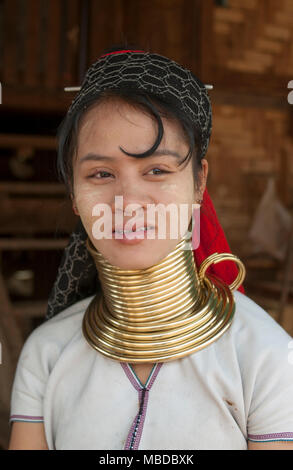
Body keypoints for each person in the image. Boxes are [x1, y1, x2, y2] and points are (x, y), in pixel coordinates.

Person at [8, 46, 293, 450]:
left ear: (198, 183)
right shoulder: (47, 354)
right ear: (74, 193)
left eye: (157, 170)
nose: (126, 201)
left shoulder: (267, 356)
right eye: (101, 173)